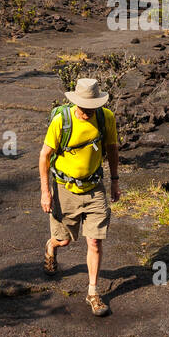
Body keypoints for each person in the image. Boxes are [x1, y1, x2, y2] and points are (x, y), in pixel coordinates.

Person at [39, 77, 120, 316]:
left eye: (91, 107)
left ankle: (93, 293)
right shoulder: (60, 121)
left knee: (94, 241)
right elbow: (44, 156)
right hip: (64, 189)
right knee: (64, 240)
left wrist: (115, 181)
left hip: (95, 189)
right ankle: (51, 246)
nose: (87, 112)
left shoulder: (107, 118)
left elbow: (113, 149)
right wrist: (46, 192)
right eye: (83, 107)